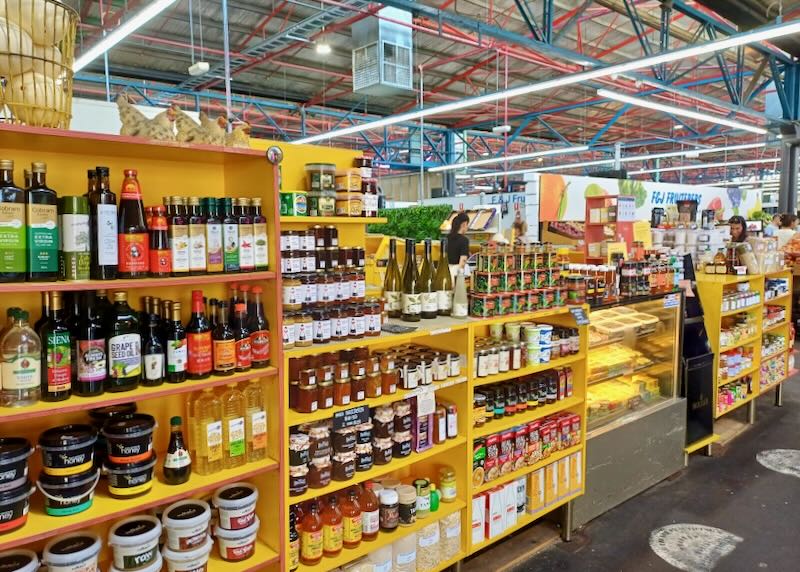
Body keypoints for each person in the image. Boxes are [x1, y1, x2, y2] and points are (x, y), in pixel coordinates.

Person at [447, 212, 470, 280]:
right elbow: (463, 260)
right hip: (457, 270)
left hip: (447, 270)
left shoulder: (447, 238)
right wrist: (459, 275)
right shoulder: (464, 240)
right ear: (464, 224)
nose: (467, 227)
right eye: (467, 225)